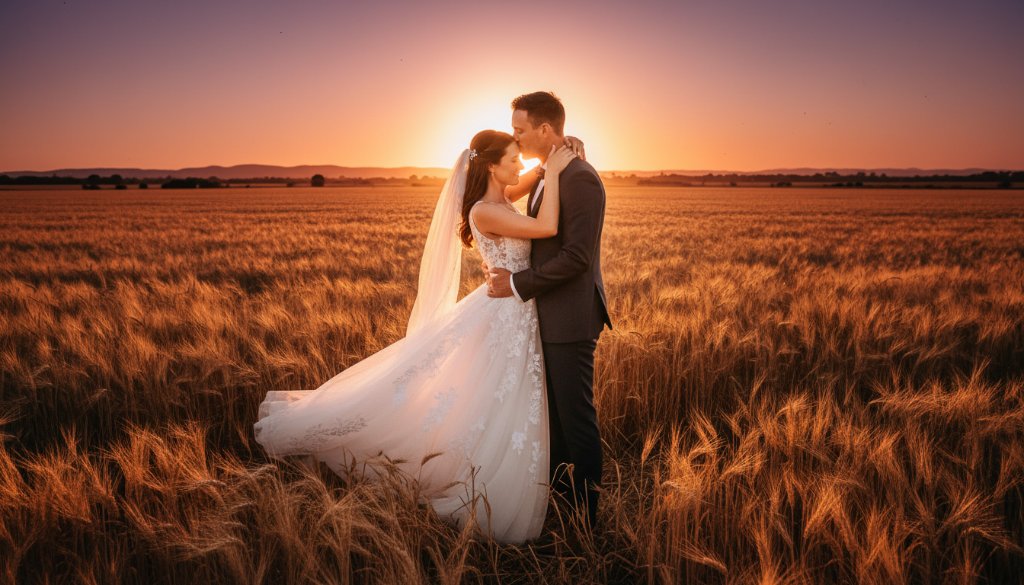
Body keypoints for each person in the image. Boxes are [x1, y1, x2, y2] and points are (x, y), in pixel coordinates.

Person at [253, 129, 579, 544]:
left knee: (497, 398)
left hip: (512, 310)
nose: (522, 165)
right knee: (496, 396)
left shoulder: (500, 197)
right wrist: (557, 168)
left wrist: (551, 160)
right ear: (491, 167)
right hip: (505, 312)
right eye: (514, 159)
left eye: (521, 159)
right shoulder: (486, 211)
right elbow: (547, 226)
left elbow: (528, 180)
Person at [486, 91, 613, 534]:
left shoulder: (579, 178)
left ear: (545, 129)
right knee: (554, 422)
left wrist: (517, 283)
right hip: (548, 316)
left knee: (576, 421)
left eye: (520, 130)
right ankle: (559, 509)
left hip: (570, 320)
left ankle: (587, 523)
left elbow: (577, 257)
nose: (515, 138)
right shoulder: (552, 171)